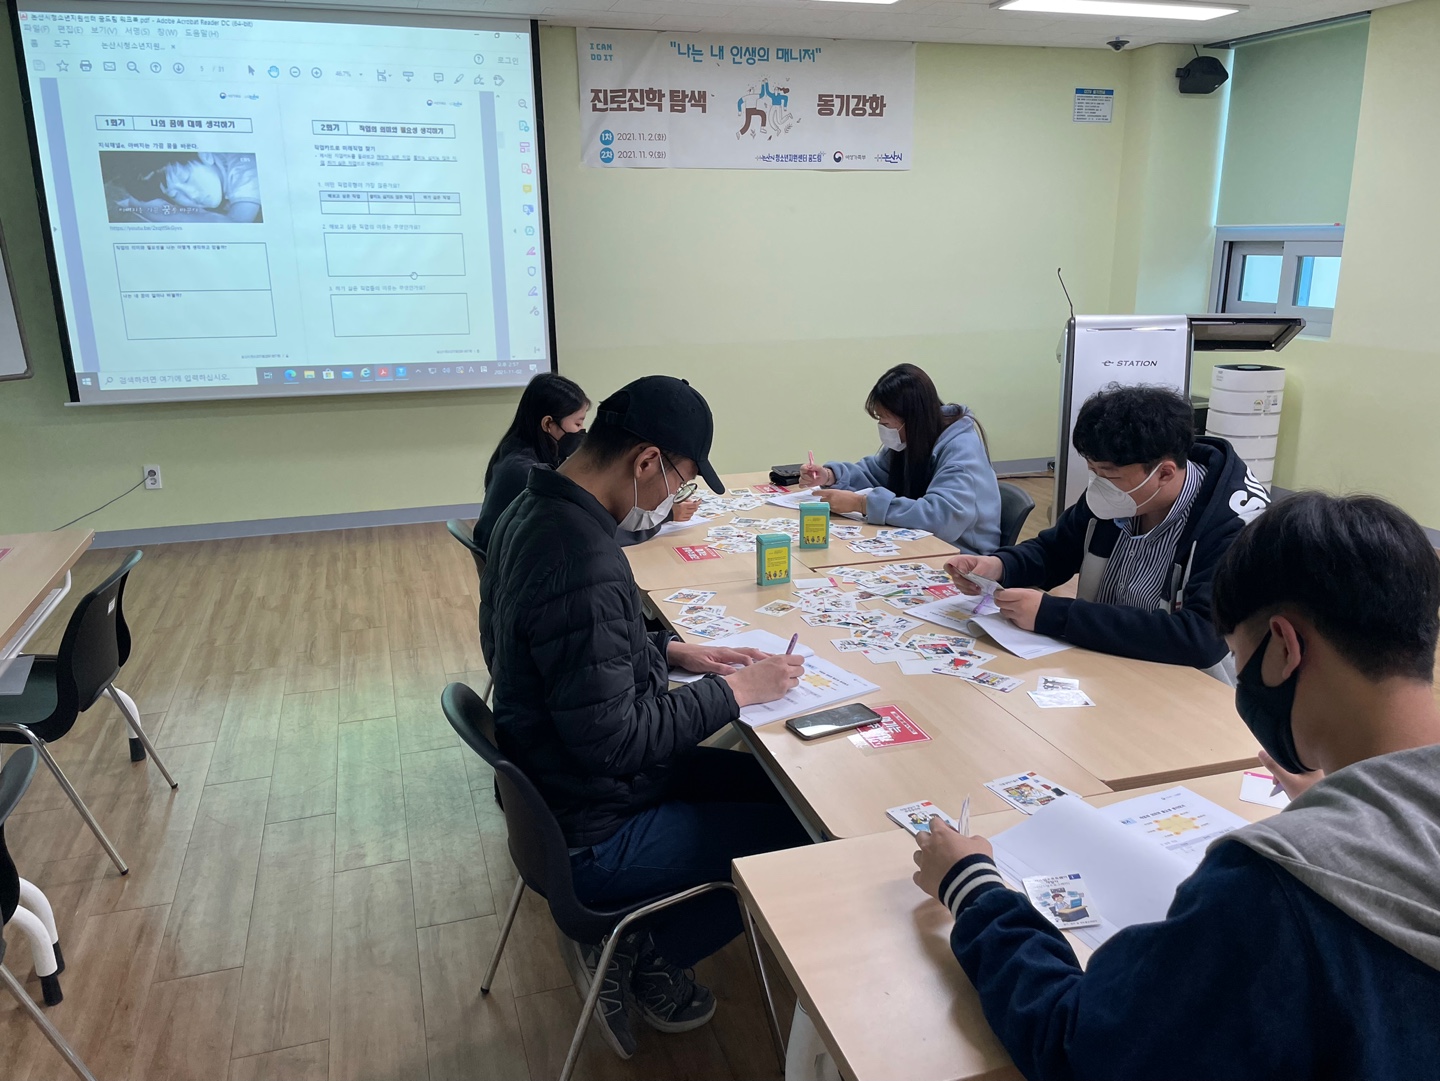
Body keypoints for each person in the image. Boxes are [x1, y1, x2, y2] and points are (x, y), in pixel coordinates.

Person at [911, 491, 1440, 1080]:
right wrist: (1347, 799)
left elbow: (1081, 1048)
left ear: (1285, 648)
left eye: (1238, 657)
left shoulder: (1276, 886)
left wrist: (972, 887)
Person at [479, 375, 812, 1059]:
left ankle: (640, 936)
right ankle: (645, 948)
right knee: (802, 833)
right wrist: (737, 692)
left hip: (562, 783)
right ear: (647, 461)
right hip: (592, 828)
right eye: (680, 481)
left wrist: (666, 649)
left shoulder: (531, 505)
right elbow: (614, 740)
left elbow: (555, 651)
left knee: (778, 789)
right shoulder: (581, 554)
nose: (671, 499)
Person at [944, 383, 1269, 678]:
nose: (1098, 484)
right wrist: (1000, 566)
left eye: (1108, 475)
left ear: (1165, 473)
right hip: (1107, 660)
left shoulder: (1235, 526)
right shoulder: (1119, 494)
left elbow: (1200, 638)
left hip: (1190, 685)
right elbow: (1054, 550)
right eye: (1093, 470)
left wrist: (1056, 615)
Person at [474, 373, 698, 555]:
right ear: (548, 424)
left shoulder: (520, 453)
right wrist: (663, 517)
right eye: (577, 423)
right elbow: (594, 534)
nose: (582, 432)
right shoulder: (525, 472)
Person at [800, 364, 1001, 553]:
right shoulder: (916, 438)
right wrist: (830, 476)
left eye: (886, 422)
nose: (882, 428)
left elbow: (940, 518)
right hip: (920, 542)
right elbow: (875, 474)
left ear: (911, 419)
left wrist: (862, 504)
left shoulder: (961, 452)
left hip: (962, 555)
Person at [116, 152, 263, 223]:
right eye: (175, 195)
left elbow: (235, 228)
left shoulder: (245, 166)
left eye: (186, 179)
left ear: (205, 156)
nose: (191, 195)